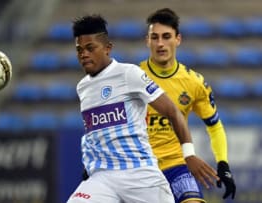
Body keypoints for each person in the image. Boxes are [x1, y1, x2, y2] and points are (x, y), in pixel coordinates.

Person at [67, 14, 219, 203]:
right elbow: (96, 130)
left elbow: (172, 111)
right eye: (79, 50)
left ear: (107, 48)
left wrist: (188, 155)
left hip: (139, 173)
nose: (84, 54)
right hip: (102, 177)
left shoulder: (129, 74)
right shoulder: (83, 87)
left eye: (90, 48)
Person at [140, 8, 237, 203]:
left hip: (177, 164)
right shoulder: (133, 77)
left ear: (178, 39)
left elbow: (215, 127)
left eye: (166, 36)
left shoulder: (194, 82)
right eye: (155, 37)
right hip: (140, 166)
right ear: (147, 40)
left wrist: (223, 164)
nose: (160, 43)